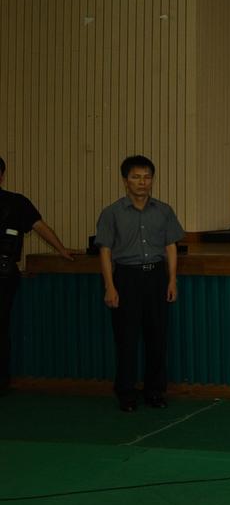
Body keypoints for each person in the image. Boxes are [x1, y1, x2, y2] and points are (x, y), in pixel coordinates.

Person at [95, 155, 185, 412]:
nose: (142, 182)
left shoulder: (164, 210)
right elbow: (105, 251)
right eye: (136, 177)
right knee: (126, 339)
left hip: (157, 277)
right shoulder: (112, 213)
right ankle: (126, 393)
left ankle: (155, 392)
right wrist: (110, 286)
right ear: (125, 181)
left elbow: (171, 246)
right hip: (126, 277)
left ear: (152, 180)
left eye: (147, 177)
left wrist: (172, 280)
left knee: (157, 337)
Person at [0, 156, 75, 394]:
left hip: (4, 273)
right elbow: (40, 227)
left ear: (2, 175)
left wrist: (61, 249)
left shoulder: (16, 202)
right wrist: (61, 249)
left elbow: (40, 226)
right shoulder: (16, 201)